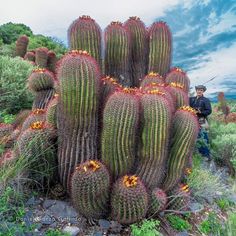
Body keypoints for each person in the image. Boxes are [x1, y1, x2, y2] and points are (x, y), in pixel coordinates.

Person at [189, 85, 212, 160]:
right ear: (196, 90)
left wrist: (200, 112)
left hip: (201, 119)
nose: (199, 91)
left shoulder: (206, 100)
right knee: (193, 135)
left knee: (203, 136)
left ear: (203, 91)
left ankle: (206, 155)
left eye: (201, 90)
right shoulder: (192, 99)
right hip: (192, 119)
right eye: (198, 90)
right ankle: (197, 152)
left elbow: (209, 111)